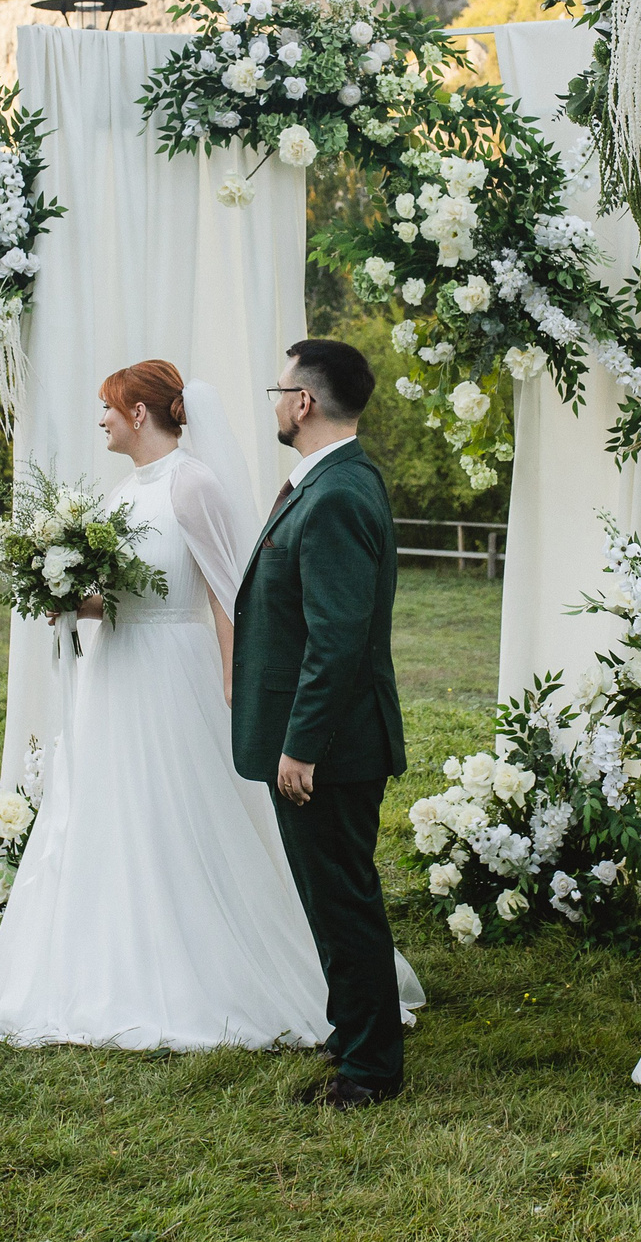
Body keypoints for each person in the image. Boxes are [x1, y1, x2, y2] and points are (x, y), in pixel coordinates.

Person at [0, 361, 356, 1051]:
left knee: (178, 814)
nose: (99, 419)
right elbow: (127, 592)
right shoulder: (128, 489)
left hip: (175, 672)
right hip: (117, 670)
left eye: (108, 407)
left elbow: (227, 592)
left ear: (139, 412)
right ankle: (101, 967)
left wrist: (232, 683)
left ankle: (202, 972)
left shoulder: (193, 482)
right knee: (109, 811)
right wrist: (70, 596)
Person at [233, 337, 409, 1110]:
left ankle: (369, 1069)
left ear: (303, 401)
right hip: (331, 741)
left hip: (329, 747)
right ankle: (355, 1038)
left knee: (342, 901)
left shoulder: (335, 493)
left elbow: (337, 638)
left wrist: (300, 744)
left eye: (279, 389)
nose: (275, 401)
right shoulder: (330, 481)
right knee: (335, 897)